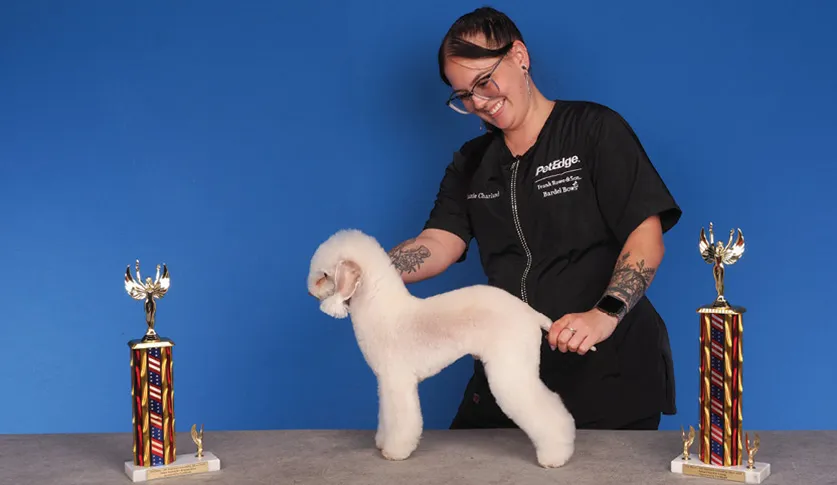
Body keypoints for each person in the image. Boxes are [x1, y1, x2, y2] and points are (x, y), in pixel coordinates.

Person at [387, 6, 682, 431]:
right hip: (509, 372)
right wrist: (372, 271)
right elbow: (439, 241)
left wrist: (604, 315)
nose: (480, 102)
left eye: (485, 82)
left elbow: (646, 236)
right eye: (464, 95)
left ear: (519, 57)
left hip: (606, 374)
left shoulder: (594, 131)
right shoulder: (471, 163)